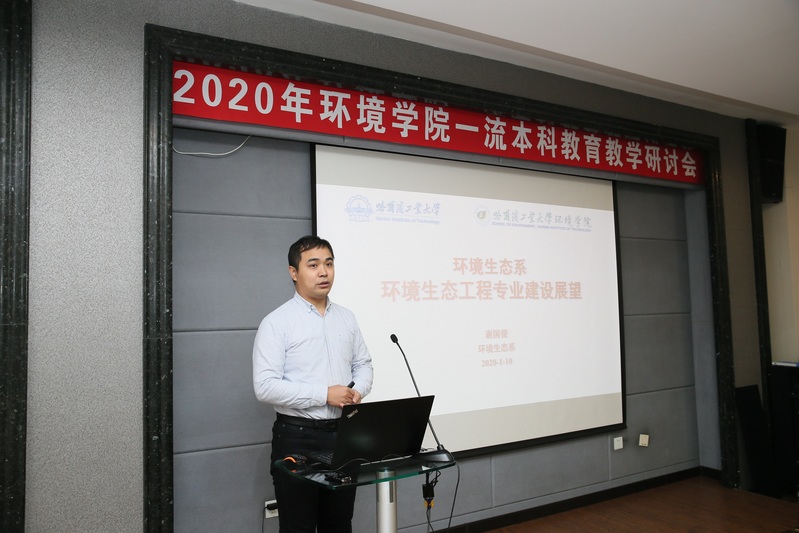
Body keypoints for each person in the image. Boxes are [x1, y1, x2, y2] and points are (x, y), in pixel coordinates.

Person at [253, 235, 374, 532]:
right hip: (297, 438)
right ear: (293, 272)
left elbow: (363, 365)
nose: (324, 272)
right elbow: (264, 386)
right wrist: (324, 395)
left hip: (344, 436)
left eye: (329, 264)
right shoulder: (277, 322)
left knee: (339, 524)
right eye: (314, 265)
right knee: (299, 527)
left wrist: (356, 390)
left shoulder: (346, 318)